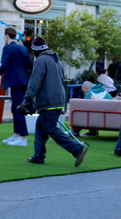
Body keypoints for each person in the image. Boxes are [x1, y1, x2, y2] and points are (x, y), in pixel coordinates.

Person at [20, 36, 88, 167]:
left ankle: (77, 149)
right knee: (41, 126)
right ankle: (38, 156)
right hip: (58, 99)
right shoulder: (57, 61)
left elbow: (35, 82)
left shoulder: (40, 60)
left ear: (35, 51)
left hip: (49, 101)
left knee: (49, 127)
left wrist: (27, 100)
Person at [0, 26, 32, 146]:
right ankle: (16, 134)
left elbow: (4, 64)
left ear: (6, 36)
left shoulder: (7, 48)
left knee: (17, 109)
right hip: (24, 81)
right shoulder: (24, 49)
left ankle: (22, 138)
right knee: (15, 108)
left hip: (15, 82)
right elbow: (30, 65)